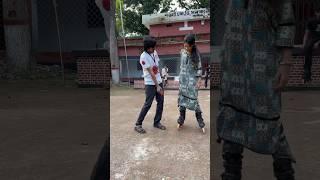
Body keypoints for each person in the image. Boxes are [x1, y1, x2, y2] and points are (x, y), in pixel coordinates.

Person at [217, 0, 296, 179]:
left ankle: (285, 173)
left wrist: (286, 63)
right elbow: (229, 17)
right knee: (231, 118)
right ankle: (231, 174)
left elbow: (286, 24)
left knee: (270, 119)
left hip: (264, 64)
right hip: (233, 62)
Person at [134, 36, 166, 134]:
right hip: (150, 83)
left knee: (160, 102)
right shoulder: (143, 57)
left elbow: (157, 66)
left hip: (158, 81)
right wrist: (157, 86)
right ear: (147, 48)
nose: (154, 49)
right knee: (148, 104)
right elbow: (151, 73)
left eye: (154, 47)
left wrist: (161, 79)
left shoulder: (154, 53)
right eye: (152, 47)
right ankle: (138, 124)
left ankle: (157, 122)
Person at [177, 34, 205, 133]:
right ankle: (181, 117)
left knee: (194, 101)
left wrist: (199, 81)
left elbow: (199, 69)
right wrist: (180, 80)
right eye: (184, 45)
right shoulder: (182, 53)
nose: (185, 47)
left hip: (192, 83)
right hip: (183, 82)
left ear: (192, 45)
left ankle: (200, 119)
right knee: (182, 99)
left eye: (187, 46)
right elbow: (181, 67)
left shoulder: (196, 55)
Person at [303, 7, 320, 83]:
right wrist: (304, 44)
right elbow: (306, 33)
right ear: (316, 13)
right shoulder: (311, 21)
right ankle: (307, 75)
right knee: (307, 48)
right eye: (318, 12)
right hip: (313, 39)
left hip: (318, 40)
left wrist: (318, 43)